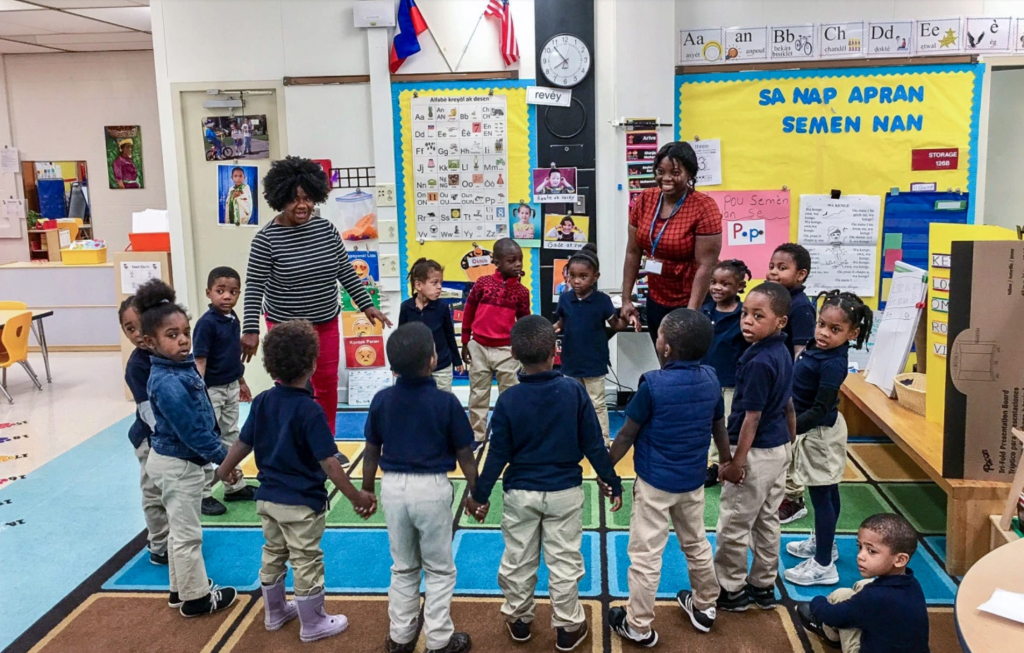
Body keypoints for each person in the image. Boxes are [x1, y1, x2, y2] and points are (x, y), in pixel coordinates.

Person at [466, 316, 622, 651]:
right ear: (556, 351)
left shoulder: (508, 400)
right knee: (564, 561)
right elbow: (593, 444)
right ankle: (567, 627)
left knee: (518, 559)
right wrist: (611, 481)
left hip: (520, 493)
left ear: (513, 354)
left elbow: (497, 456)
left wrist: (479, 495)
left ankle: (519, 620)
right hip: (565, 492)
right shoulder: (574, 392)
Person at [216, 320, 377, 643]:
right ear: (313, 363)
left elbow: (242, 443)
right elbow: (329, 463)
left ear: (271, 364)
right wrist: (355, 496)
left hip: (268, 499)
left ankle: (275, 613)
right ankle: (313, 622)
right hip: (302, 502)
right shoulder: (310, 410)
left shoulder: (262, 401)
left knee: (273, 552)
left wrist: (223, 471)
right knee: (306, 559)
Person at [242, 156, 392, 436]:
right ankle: (292, 443)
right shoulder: (266, 240)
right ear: (279, 198)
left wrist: (367, 305)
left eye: (308, 198)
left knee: (326, 385)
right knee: (290, 388)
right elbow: (254, 286)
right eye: (294, 199)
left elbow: (345, 272)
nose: (302, 205)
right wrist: (250, 329)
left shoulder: (326, 230)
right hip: (285, 329)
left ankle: (326, 442)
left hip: (325, 323)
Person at [605, 308, 729, 646]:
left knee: (645, 556)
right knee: (697, 543)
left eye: (660, 336)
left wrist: (606, 467)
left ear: (667, 348)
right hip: (692, 482)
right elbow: (719, 425)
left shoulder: (653, 384)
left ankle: (639, 626)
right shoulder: (711, 379)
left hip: (654, 484)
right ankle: (705, 606)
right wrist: (728, 460)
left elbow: (628, 433)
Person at [363, 323, 479, 653]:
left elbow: (372, 449)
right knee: (440, 568)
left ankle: (400, 637)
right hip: (432, 490)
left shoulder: (381, 399)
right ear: (433, 360)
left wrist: (367, 490)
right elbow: (465, 453)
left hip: (393, 489)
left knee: (403, 566)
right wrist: (476, 493)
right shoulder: (446, 403)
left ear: (391, 365)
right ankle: (439, 640)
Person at [135, 279, 237, 617]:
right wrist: (225, 460)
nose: (182, 340)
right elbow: (194, 431)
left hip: (176, 462)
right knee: (188, 535)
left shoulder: (178, 368)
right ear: (150, 342)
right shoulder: (168, 381)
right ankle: (195, 598)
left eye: (185, 332)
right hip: (179, 465)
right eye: (171, 335)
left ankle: (180, 590)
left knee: (181, 532)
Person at [714, 281, 795, 613]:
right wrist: (790, 445)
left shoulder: (759, 361)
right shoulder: (781, 351)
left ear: (780, 322)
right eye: (745, 313)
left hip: (756, 453)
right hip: (778, 449)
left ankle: (730, 589)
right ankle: (763, 584)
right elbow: (788, 404)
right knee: (766, 519)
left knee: (734, 523)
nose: (747, 321)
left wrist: (736, 462)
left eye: (758, 316)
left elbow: (752, 417)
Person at [784, 292, 873, 587]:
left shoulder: (833, 362)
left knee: (822, 496)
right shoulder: (816, 347)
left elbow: (820, 409)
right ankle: (826, 544)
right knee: (826, 492)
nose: (823, 333)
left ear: (853, 333)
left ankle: (823, 565)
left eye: (835, 330)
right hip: (815, 431)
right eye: (821, 324)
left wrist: (789, 429)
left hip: (819, 434)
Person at [621, 142, 722, 343]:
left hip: (692, 299)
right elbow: (633, 252)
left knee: (689, 363)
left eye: (675, 172)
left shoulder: (704, 207)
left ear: (690, 174)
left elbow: (706, 265)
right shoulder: (645, 199)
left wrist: (691, 314)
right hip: (657, 297)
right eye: (660, 171)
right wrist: (626, 299)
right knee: (664, 357)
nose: (666, 178)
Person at [797, 514, 929, 653]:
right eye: (860, 547)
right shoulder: (912, 584)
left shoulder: (874, 597)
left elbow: (832, 615)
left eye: (872, 551)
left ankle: (830, 633)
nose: (860, 555)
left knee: (840, 596)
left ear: (900, 560)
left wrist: (817, 602)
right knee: (863, 585)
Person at [193, 266, 255, 516]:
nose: (227, 296)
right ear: (209, 293)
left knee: (231, 434)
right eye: (220, 291)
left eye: (233, 292)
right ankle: (203, 494)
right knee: (209, 438)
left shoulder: (233, 319)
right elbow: (200, 362)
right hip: (210, 390)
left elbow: (232, 356)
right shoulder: (206, 324)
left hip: (230, 386)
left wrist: (241, 381)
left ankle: (234, 486)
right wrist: (198, 392)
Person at [553, 243, 624, 446]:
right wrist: (547, 332)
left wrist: (628, 316)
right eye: (572, 275)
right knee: (571, 403)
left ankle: (601, 440)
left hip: (594, 360)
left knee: (597, 403)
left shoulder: (603, 301)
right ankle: (572, 439)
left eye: (583, 277)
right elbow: (560, 324)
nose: (576, 281)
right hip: (571, 360)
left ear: (595, 277)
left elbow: (616, 325)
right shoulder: (565, 299)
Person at [766, 243, 817, 525]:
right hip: (774, 384)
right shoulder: (776, 299)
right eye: (772, 265)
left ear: (801, 275)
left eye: (782, 268)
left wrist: (792, 387)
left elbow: (801, 351)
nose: (773, 272)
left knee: (791, 444)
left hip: (789, 387)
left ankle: (794, 498)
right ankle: (778, 490)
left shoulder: (800, 307)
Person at [460, 238, 531, 442]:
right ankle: (477, 435)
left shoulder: (521, 292)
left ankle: (512, 436)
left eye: (520, 259)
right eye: (512, 260)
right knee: (478, 394)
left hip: (507, 351)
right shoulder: (483, 284)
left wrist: (522, 349)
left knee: (510, 396)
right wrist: (465, 342)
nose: (518, 264)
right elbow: (469, 311)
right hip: (479, 347)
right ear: (497, 263)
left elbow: (523, 322)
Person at [119, 295, 169, 566]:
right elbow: (147, 411)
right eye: (130, 329)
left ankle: (174, 536)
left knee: (173, 491)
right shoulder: (138, 366)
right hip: (150, 440)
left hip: (173, 439)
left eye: (142, 325)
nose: (138, 333)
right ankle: (160, 544)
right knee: (153, 492)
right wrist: (166, 436)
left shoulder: (169, 352)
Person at [701, 259, 752, 487]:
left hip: (732, 382)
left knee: (728, 425)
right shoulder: (705, 311)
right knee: (709, 423)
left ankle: (729, 463)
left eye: (725, 283)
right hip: (708, 380)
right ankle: (713, 465)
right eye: (713, 282)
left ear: (740, 286)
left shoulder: (744, 315)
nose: (717, 288)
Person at [399, 258, 463, 393]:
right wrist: (397, 364)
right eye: (434, 283)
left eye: (441, 283)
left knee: (442, 401)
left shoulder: (442, 307)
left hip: (442, 365)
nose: (439, 287)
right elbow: (401, 338)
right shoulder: (406, 307)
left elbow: (449, 335)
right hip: (416, 366)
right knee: (417, 400)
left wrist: (457, 361)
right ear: (418, 285)